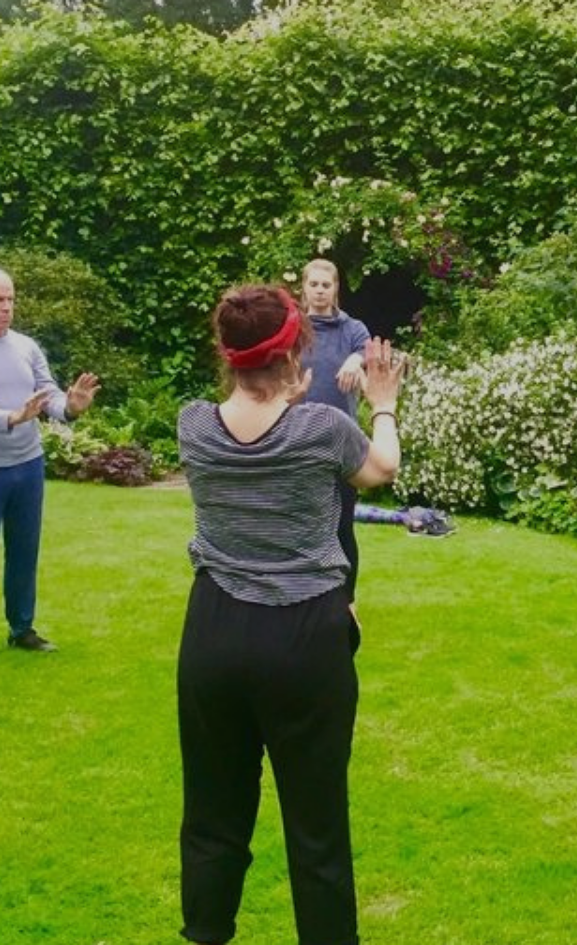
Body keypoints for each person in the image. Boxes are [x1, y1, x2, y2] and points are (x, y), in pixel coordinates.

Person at [175, 284, 404, 945]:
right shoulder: (323, 428)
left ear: (227, 352)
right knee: (316, 824)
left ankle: (206, 933)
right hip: (305, 635)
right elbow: (381, 469)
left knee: (213, 813)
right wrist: (384, 404)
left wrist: (285, 392)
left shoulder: (193, 423)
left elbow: (254, 428)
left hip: (214, 630)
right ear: (295, 349)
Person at [0, 266, 100, 653]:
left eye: (10, 299)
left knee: (25, 549)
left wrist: (70, 407)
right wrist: (12, 417)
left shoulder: (26, 346)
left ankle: (22, 628)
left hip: (28, 464)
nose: (6, 307)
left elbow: (48, 395)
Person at [298, 258, 373, 606]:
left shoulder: (352, 329)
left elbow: (366, 350)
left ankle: (347, 602)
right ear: (304, 288)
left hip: (342, 444)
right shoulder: (294, 330)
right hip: (298, 440)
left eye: (325, 285)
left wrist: (356, 360)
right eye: (313, 284)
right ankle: (303, 596)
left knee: (342, 526)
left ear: (335, 288)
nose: (319, 290)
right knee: (300, 524)